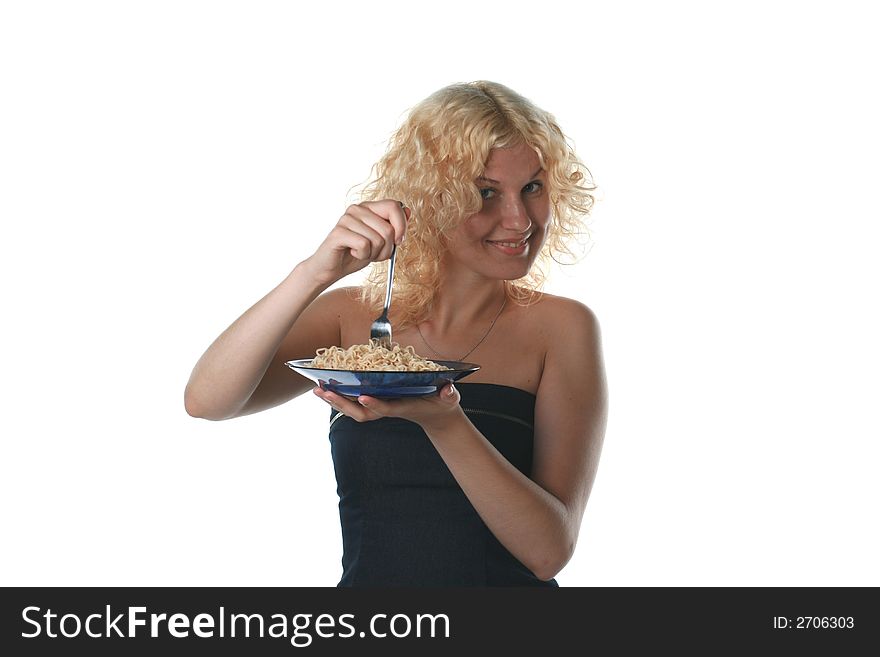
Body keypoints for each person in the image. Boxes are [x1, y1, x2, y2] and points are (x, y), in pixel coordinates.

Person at [184, 81, 608, 586]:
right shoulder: (350, 317)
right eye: (486, 192)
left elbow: (548, 552)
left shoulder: (561, 328)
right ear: (433, 198)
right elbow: (207, 401)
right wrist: (312, 274)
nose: (518, 219)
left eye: (533, 188)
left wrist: (446, 424)